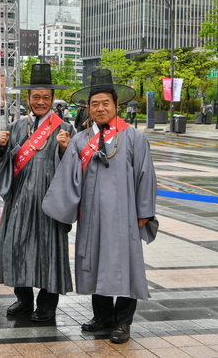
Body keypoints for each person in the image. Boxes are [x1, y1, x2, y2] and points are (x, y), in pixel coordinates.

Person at [41, 69, 158, 344]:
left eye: (106, 103)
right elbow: (68, 175)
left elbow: (145, 175)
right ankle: (102, 317)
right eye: (95, 104)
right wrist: (62, 150)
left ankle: (123, 322)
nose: (100, 108)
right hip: (92, 217)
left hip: (125, 216)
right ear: (88, 108)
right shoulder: (80, 140)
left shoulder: (133, 138)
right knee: (96, 265)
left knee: (126, 267)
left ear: (116, 107)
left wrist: (143, 213)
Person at [0, 63, 74, 322]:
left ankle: (47, 305)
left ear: (52, 100)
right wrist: (2, 147)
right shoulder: (16, 127)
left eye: (46, 98)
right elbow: (3, 162)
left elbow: (75, 165)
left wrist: (63, 149)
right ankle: (23, 299)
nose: (41, 102)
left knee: (49, 251)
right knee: (17, 247)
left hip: (50, 203)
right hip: (20, 201)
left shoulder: (65, 128)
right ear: (28, 99)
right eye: (35, 97)